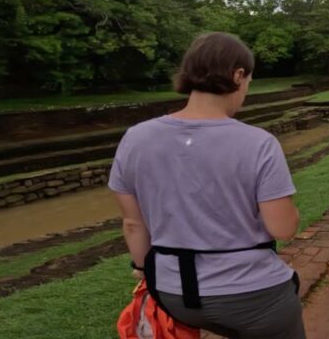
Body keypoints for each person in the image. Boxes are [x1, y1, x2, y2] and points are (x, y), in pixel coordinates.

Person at [109, 32, 306, 339]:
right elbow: (282, 228)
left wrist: (142, 266)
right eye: (248, 82)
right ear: (238, 75)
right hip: (253, 296)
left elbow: (134, 223)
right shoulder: (258, 143)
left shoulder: (136, 137)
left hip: (174, 294)